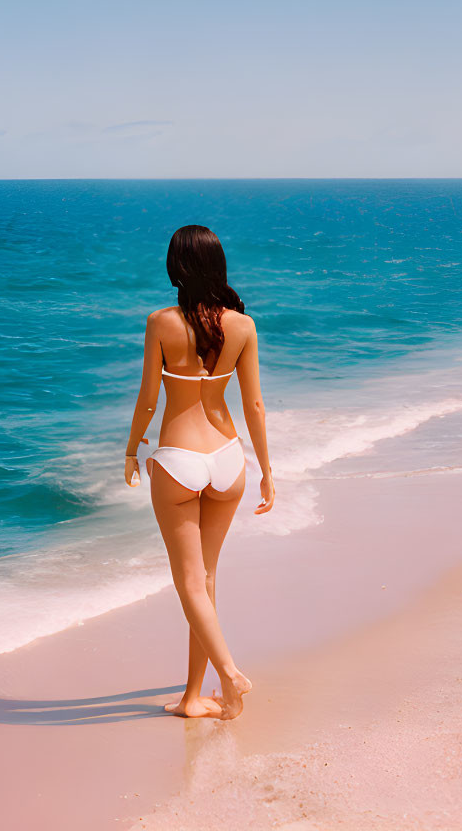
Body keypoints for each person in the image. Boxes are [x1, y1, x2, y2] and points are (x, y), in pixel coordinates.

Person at [124, 224, 275, 720]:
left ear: (177, 266)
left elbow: (149, 399)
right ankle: (194, 696)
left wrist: (131, 450)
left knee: (190, 581)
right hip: (229, 459)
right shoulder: (243, 327)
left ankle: (228, 673)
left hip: (180, 460)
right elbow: (253, 404)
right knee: (206, 582)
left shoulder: (160, 322)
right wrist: (267, 470)